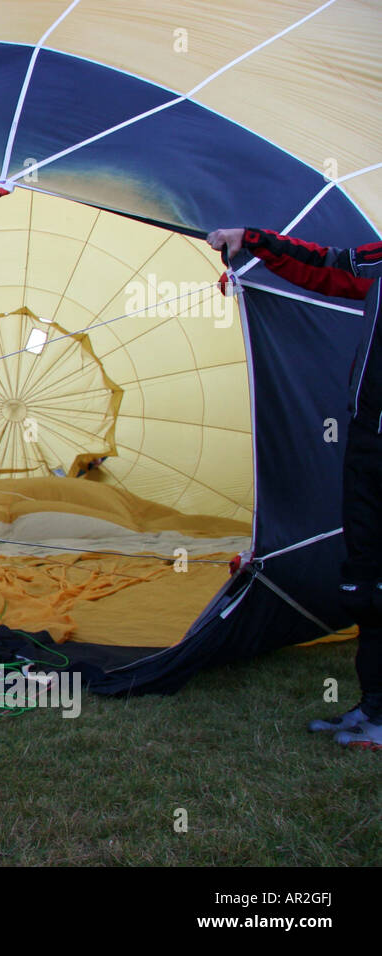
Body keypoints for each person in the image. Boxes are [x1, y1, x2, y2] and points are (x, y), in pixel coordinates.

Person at [208, 227, 382, 747]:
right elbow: (329, 266)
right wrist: (252, 239)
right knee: (367, 581)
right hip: (369, 438)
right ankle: (373, 709)